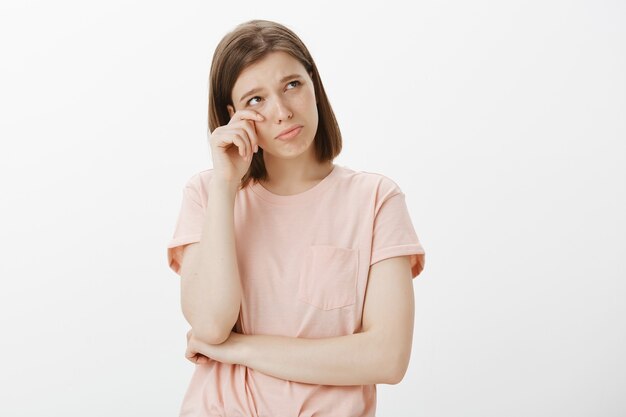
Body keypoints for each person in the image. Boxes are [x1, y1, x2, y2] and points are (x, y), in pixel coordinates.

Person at [166, 19, 426, 417]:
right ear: (232, 115)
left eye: (292, 85)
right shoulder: (206, 194)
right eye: (256, 100)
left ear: (314, 85)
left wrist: (239, 349)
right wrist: (225, 185)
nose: (282, 112)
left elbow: (387, 358)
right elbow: (210, 325)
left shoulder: (375, 199)